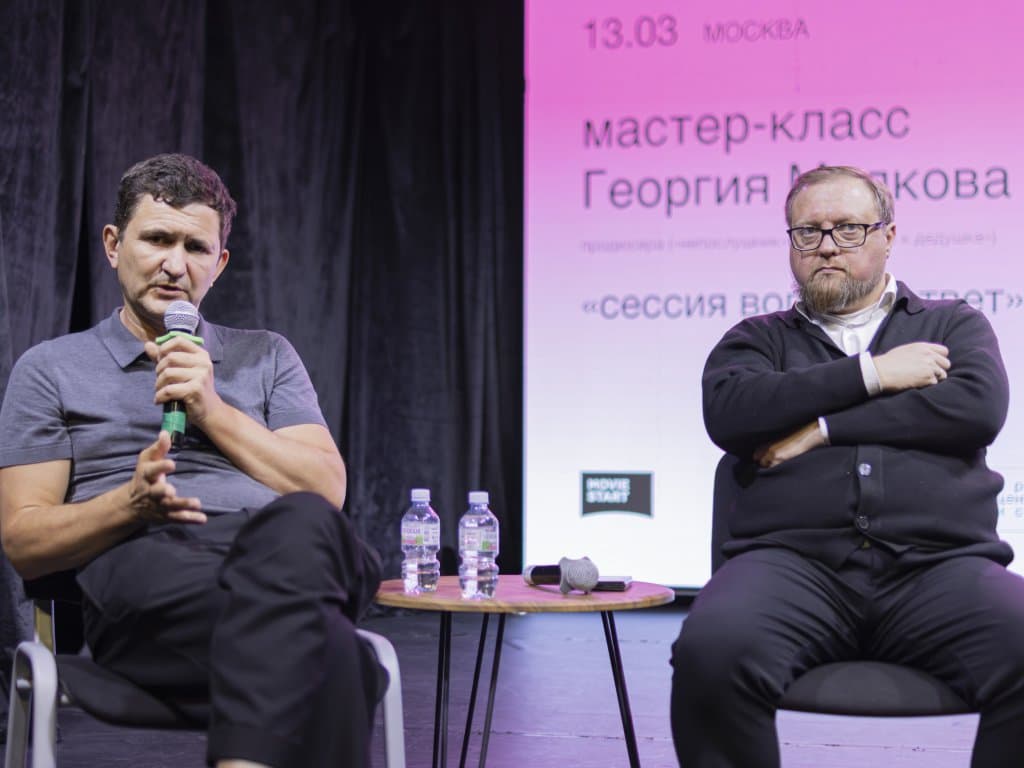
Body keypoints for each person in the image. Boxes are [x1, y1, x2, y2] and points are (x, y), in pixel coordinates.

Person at [0, 153, 382, 768]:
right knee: (336, 649)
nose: (175, 265)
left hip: (277, 548)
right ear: (113, 245)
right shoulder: (50, 369)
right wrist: (130, 505)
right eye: (157, 239)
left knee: (308, 522)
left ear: (219, 263)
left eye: (196, 247)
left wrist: (211, 409)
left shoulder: (267, 356)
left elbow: (325, 489)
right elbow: (23, 542)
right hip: (147, 561)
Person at [670, 165, 1024, 767]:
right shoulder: (758, 340)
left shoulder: (951, 324)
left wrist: (824, 430)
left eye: (849, 229)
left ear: (888, 235)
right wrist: (874, 374)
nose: (827, 245)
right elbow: (730, 411)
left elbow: (976, 408)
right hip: (789, 567)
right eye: (808, 232)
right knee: (711, 649)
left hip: (939, 567)